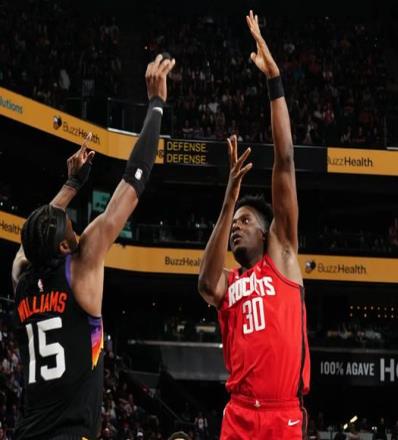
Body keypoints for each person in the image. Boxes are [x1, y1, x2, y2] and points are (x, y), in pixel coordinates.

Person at [11, 54, 176, 440]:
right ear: (65, 247)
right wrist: (156, 105)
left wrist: (70, 186)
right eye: (70, 226)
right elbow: (133, 183)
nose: (76, 227)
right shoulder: (81, 265)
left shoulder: (21, 282)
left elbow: (29, 242)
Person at [198, 10, 310, 440]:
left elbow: (285, 161)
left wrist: (274, 82)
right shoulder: (229, 282)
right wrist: (230, 198)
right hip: (239, 414)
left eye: (244, 221)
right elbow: (205, 284)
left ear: (266, 232)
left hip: (283, 414)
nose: (236, 228)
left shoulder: (282, 255)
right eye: (234, 223)